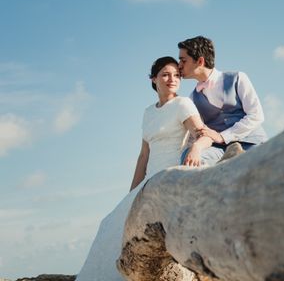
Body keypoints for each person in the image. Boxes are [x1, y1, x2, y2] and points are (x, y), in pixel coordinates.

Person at [76, 56, 211, 281]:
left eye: (176, 75)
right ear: (153, 79)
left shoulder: (183, 104)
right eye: (165, 74)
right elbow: (143, 156)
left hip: (169, 180)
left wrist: (196, 148)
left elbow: (202, 134)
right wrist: (131, 192)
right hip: (148, 182)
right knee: (110, 224)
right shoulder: (149, 112)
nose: (172, 79)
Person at [178, 36, 268, 165]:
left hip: (251, 142)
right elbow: (195, 133)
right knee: (191, 159)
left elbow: (256, 115)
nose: (179, 65)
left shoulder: (238, 78)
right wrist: (194, 148)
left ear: (200, 61)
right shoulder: (192, 98)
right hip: (220, 150)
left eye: (183, 60)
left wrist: (222, 136)